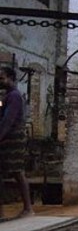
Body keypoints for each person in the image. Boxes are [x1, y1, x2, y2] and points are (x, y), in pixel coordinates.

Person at [0, 66, 33, 220]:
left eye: (2, 78)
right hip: (6, 137)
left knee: (17, 172)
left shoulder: (14, 96)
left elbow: (8, 119)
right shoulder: (6, 96)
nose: (0, 81)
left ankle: (28, 208)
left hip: (13, 137)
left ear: (11, 79)